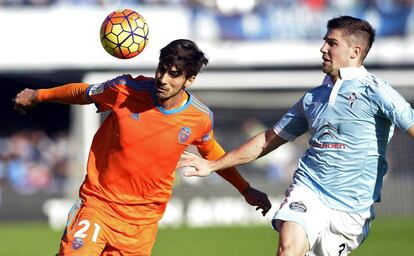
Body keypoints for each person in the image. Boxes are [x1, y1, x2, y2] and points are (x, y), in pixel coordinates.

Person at [177, 16, 414, 256]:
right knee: (288, 249)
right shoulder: (313, 98)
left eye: (332, 43)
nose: (323, 48)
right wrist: (213, 165)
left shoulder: (378, 92)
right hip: (309, 189)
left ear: (355, 51)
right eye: (324, 42)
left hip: (352, 212)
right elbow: (268, 140)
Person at [13, 39, 271, 256]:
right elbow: (83, 92)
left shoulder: (200, 118)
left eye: (174, 74)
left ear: (189, 80)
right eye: (161, 69)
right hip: (99, 205)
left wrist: (245, 189)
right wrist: (38, 95)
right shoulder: (125, 89)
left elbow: (213, 154)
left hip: (142, 223)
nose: (163, 79)